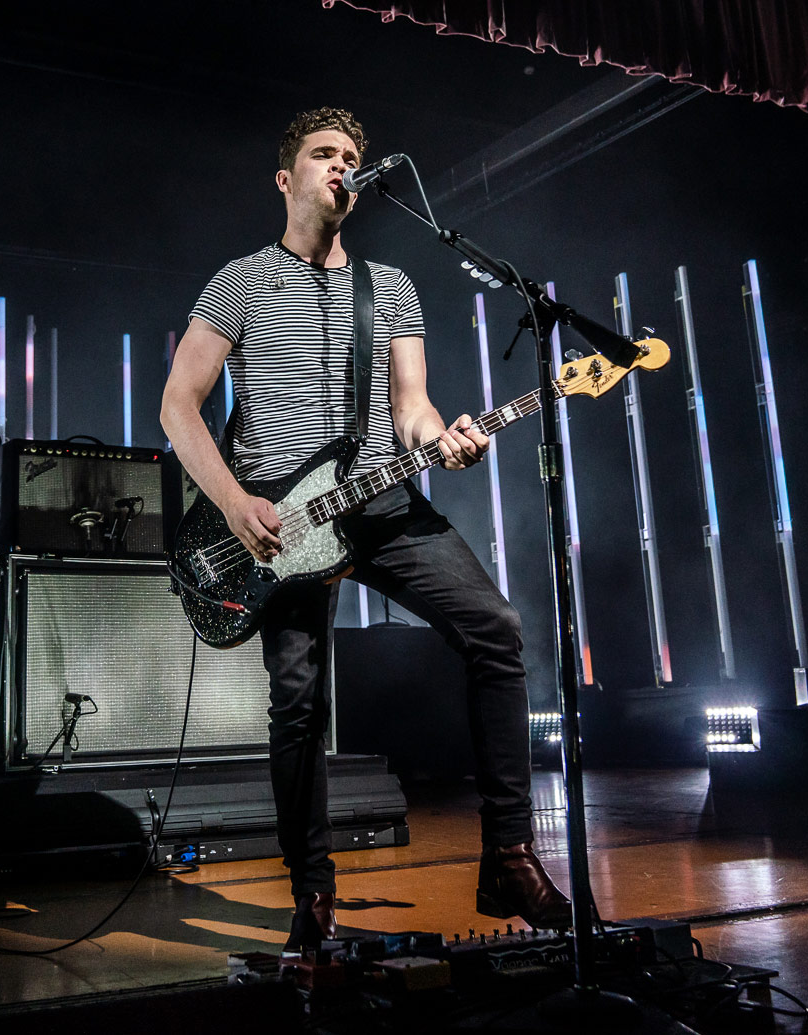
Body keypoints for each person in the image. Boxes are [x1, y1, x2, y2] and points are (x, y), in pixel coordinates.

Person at [160, 107, 572, 949]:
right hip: (279, 523)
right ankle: (312, 891)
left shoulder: (390, 286)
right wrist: (235, 503)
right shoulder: (240, 281)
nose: (341, 165)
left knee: (497, 629)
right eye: (324, 154)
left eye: (351, 155)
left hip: (381, 503)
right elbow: (177, 405)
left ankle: (509, 853)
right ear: (287, 179)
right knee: (298, 702)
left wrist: (443, 438)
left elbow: (411, 408)